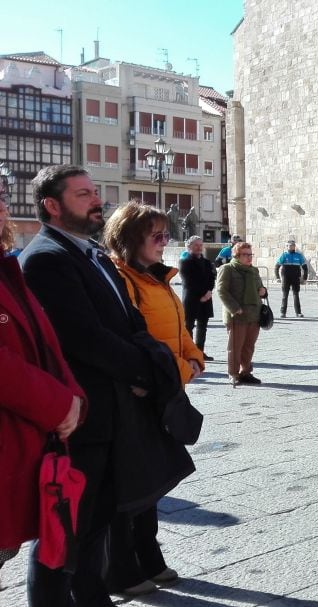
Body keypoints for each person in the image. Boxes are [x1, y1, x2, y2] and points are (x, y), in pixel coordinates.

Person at [19, 164, 177, 605]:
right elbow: (84, 338)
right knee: (63, 534)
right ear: (52, 205)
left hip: (113, 416)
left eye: (94, 192)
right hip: (82, 420)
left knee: (97, 524)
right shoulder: (47, 259)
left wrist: (153, 357)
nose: (96, 200)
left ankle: (93, 597)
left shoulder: (92, 254)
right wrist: (145, 373)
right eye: (83, 194)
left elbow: (131, 321)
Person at [102, 201, 204, 596]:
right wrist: (181, 370)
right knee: (133, 484)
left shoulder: (156, 277)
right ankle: (123, 566)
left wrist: (193, 357)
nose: (165, 242)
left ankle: (148, 554)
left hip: (165, 386)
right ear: (130, 238)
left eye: (166, 234)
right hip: (142, 391)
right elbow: (134, 338)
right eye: (156, 236)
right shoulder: (121, 278)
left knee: (154, 481)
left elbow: (178, 328)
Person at [0, 181, 85, 585]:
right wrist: (59, 404)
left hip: (25, 446)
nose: (2, 207)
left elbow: (44, 342)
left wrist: (74, 399)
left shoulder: (7, 270)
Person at [216, 241, 268, 385]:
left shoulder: (254, 270)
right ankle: (233, 373)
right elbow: (221, 291)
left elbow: (260, 288)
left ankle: (246, 372)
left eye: (250, 254)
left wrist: (263, 291)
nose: (249, 257)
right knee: (235, 347)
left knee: (249, 346)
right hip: (237, 315)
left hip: (254, 314)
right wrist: (234, 307)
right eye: (246, 255)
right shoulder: (227, 269)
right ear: (237, 255)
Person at [178, 235, 217, 360]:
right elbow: (188, 281)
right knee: (188, 326)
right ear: (189, 247)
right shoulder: (185, 262)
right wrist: (202, 295)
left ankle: (200, 351)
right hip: (191, 299)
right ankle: (189, 353)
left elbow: (212, 278)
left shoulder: (206, 262)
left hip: (206, 297)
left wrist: (209, 292)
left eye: (201, 245)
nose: (199, 247)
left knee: (202, 326)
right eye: (196, 245)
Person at [275, 239, 309, 318]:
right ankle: (283, 313)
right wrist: (277, 277)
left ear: (295, 246)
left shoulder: (299, 255)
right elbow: (276, 267)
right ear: (287, 246)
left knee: (296, 294)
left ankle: (298, 312)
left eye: (293, 245)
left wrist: (304, 278)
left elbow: (305, 267)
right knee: (285, 295)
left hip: (295, 278)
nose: (291, 247)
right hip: (286, 278)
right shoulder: (284, 255)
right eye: (289, 245)